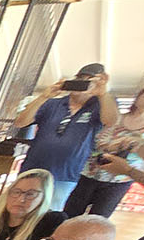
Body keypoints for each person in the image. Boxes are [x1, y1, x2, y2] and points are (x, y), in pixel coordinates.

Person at [13, 64, 120, 211]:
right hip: (32, 168)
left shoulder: (98, 106)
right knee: (19, 208)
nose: (82, 84)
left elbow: (111, 121)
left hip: (66, 174)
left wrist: (102, 94)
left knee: (51, 214)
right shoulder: (51, 103)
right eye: (80, 79)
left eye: (89, 81)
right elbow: (20, 122)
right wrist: (44, 96)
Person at [64, 84, 144, 218]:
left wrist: (136, 146)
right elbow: (93, 138)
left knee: (99, 219)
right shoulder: (115, 118)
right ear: (138, 98)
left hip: (120, 181)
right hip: (89, 173)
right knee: (70, 213)